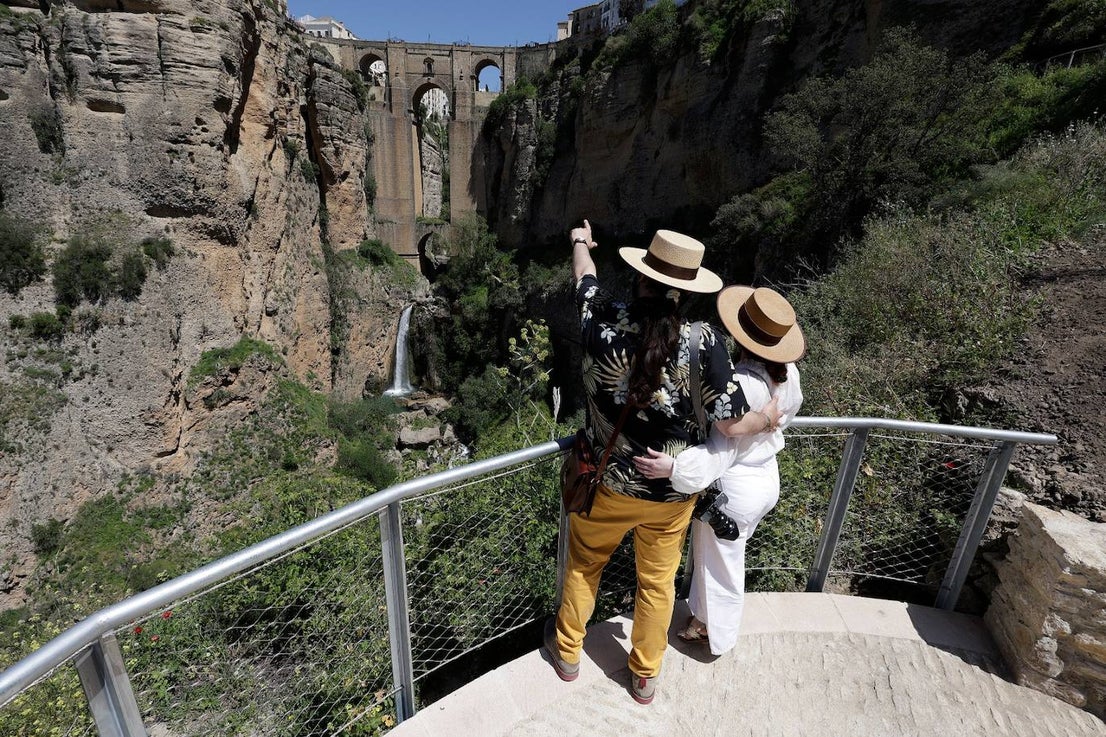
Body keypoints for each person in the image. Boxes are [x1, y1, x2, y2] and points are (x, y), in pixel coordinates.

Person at [544, 221, 782, 705]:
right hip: (670, 496)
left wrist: (580, 243)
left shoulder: (601, 317)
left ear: (641, 276)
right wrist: (767, 419)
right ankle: (645, 674)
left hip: (606, 483)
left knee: (585, 565)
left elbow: (583, 277)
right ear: (685, 290)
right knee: (656, 583)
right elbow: (731, 425)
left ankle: (568, 653)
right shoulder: (704, 342)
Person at [633, 285, 805, 657]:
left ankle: (717, 636)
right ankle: (701, 620)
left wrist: (676, 468)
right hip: (765, 480)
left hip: (735, 489)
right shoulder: (787, 373)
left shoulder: (743, 382)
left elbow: (722, 447)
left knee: (723, 566)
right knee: (717, 559)